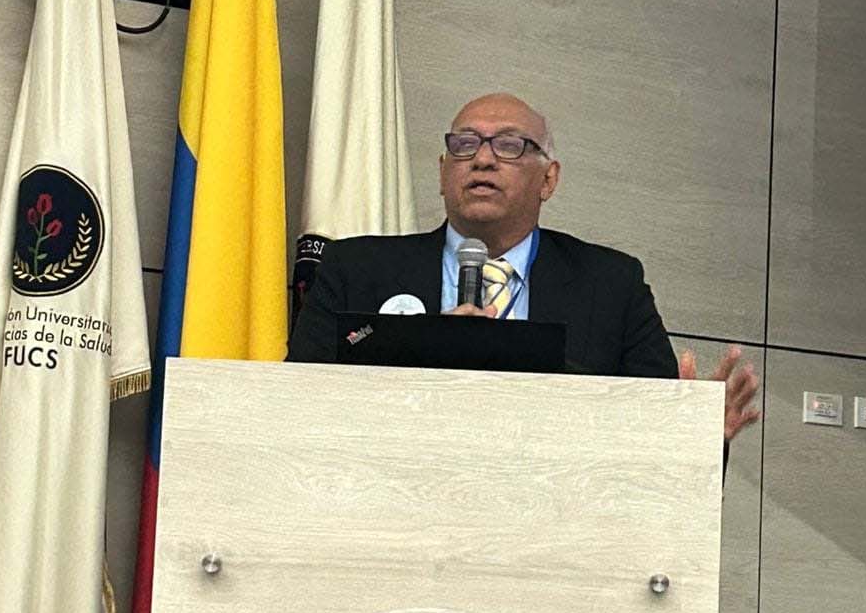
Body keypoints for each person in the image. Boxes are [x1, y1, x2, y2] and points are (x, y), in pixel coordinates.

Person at [287, 92, 760, 447]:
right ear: (442, 173)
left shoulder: (612, 287)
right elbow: (295, 409)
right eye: (464, 145)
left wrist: (698, 438)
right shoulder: (356, 270)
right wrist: (425, 357)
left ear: (548, 179)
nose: (483, 159)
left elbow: (650, 439)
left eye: (510, 145)